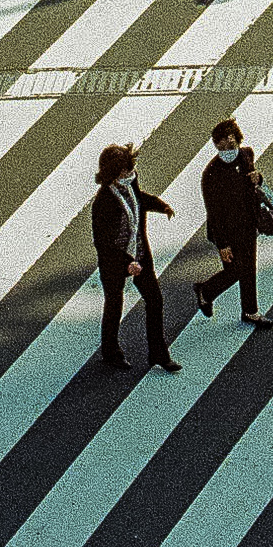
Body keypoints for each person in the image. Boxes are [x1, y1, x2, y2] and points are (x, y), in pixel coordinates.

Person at [92, 141, 180, 373]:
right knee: (114, 304)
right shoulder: (103, 203)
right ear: (111, 174)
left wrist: (160, 206)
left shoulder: (130, 182)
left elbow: (139, 199)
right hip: (115, 262)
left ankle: (159, 354)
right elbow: (103, 244)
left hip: (140, 254)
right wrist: (126, 263)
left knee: (155, 300)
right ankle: (110, 352)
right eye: (124, 171)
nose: (130, 174)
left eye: (130, 169)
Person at [195, 118, 273, 328]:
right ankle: (205, 291)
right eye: (221, 147)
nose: (227, 151)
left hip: (248, 224)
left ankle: (250, 312)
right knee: (235, 271)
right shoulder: (211, 173)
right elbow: (213, 213)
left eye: (231, 145)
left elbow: (254, 181)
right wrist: (222, 245)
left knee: (248, 269)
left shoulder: (246, 154)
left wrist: (259, 178)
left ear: (238, 141)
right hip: (226, 231)